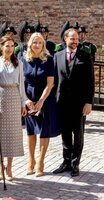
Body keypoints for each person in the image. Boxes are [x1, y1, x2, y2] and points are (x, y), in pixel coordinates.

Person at [53, 28, 94, 177]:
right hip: (62, 103)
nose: (75, 41)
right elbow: (55, 81)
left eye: (77, 39)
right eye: (72, 39)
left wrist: (89, 102)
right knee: (65, 134)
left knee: (78, 135)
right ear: (65, 39)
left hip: (79, 104)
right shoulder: (57, 56)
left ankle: (75, 164)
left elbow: (90, 81)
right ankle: (66, 162)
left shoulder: (86, 56)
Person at [21, 32, 60, 177]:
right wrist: (26, 99)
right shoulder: (23, 59)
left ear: (43, 45)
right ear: (30, 44)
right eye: (35, 42)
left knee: (44, 131)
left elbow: (50, 84)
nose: (37, 45)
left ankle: (40, 162)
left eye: (40, 42)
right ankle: (30, 161)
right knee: (31, 131)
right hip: (29, 99)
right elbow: (21, 82)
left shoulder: (49, 60)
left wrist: (41, 101)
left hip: (45, 99)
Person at [0, 36, 27, 181]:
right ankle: (0, 168)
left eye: (12, 46)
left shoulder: (18, 63)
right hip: (0, 97)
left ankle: (10, 167)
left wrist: (22, 103)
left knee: (12, 134)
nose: (9, 48)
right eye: (7, 46)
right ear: (1, 47)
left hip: (13, 97)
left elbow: (21, 84)